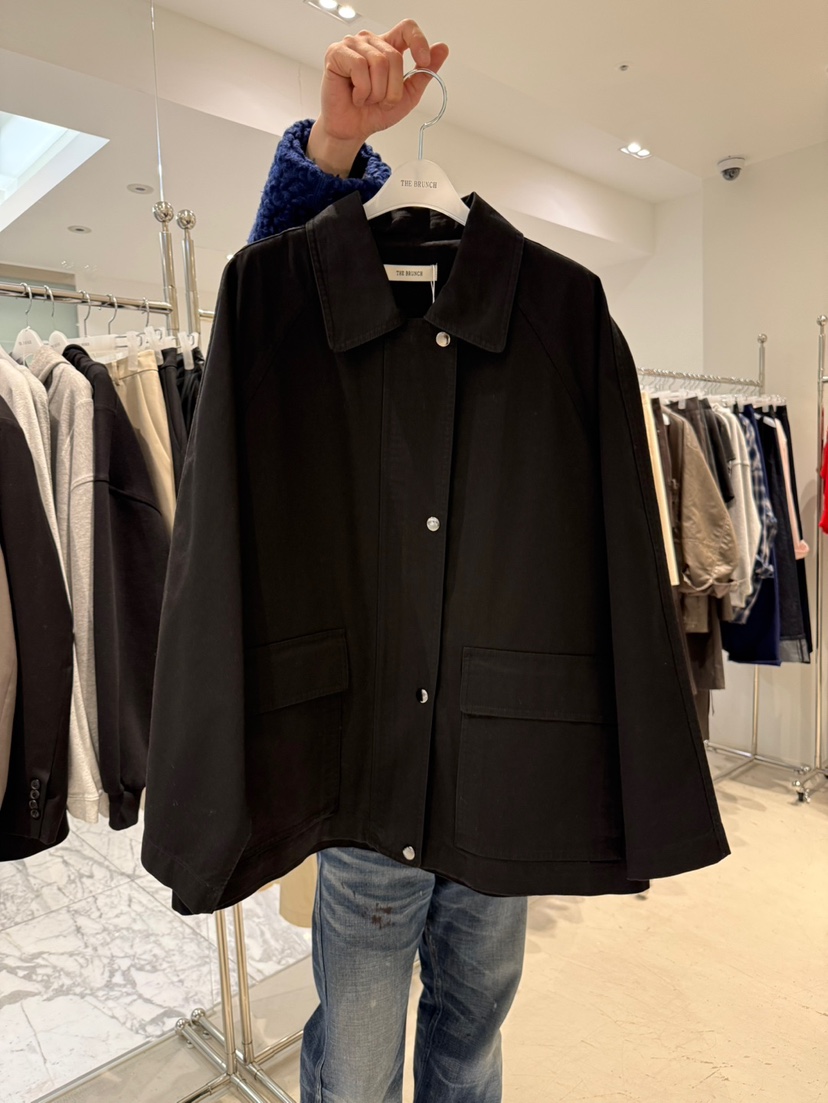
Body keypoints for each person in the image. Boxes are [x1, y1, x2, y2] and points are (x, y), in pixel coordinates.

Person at [247, 19, 528, 1103]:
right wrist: (331, 148)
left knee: (475, 1039)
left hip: (493, 772)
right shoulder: (314, 326)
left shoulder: (540, 316)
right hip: (370, 773)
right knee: (357, 1064)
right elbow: (270, 310)